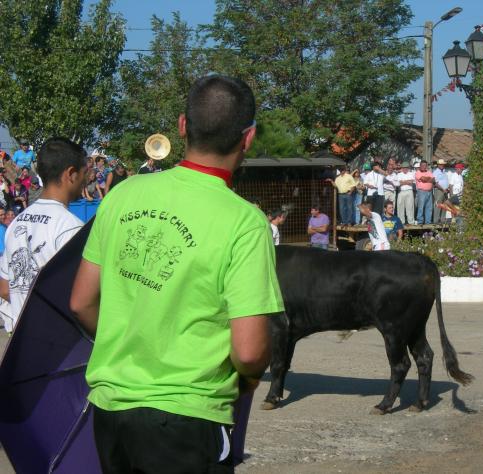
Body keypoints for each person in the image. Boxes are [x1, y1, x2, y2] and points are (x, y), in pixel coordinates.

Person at [70, 75, 285, 473]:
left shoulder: (123, 195)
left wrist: (136, 342)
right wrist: (251, 377)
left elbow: (81, 302)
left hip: (112, 412)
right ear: (249, 137)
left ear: (183, 126)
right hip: (190, 416)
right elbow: (250, 351)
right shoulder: (245, 223)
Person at [0, 137, 86, 333]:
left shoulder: (16, 223)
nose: (85, 180)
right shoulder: (71, 227)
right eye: (84, 173)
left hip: (22, 337)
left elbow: (4, 289)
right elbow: (80, 301)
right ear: (71, 174)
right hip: (57, 337)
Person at [432, 159, 449, 223]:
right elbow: (435, 183)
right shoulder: (435, 172)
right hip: (439, 190)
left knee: (445, 205)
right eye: (441, 164)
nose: (442, 165)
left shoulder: (444, 172)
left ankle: (442, 220)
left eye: (443, 164)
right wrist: (442, 189)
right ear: (438, 165)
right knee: (438, 205)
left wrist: (447, 189)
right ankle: (436, 221)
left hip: (445, 191)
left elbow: (446, 181)